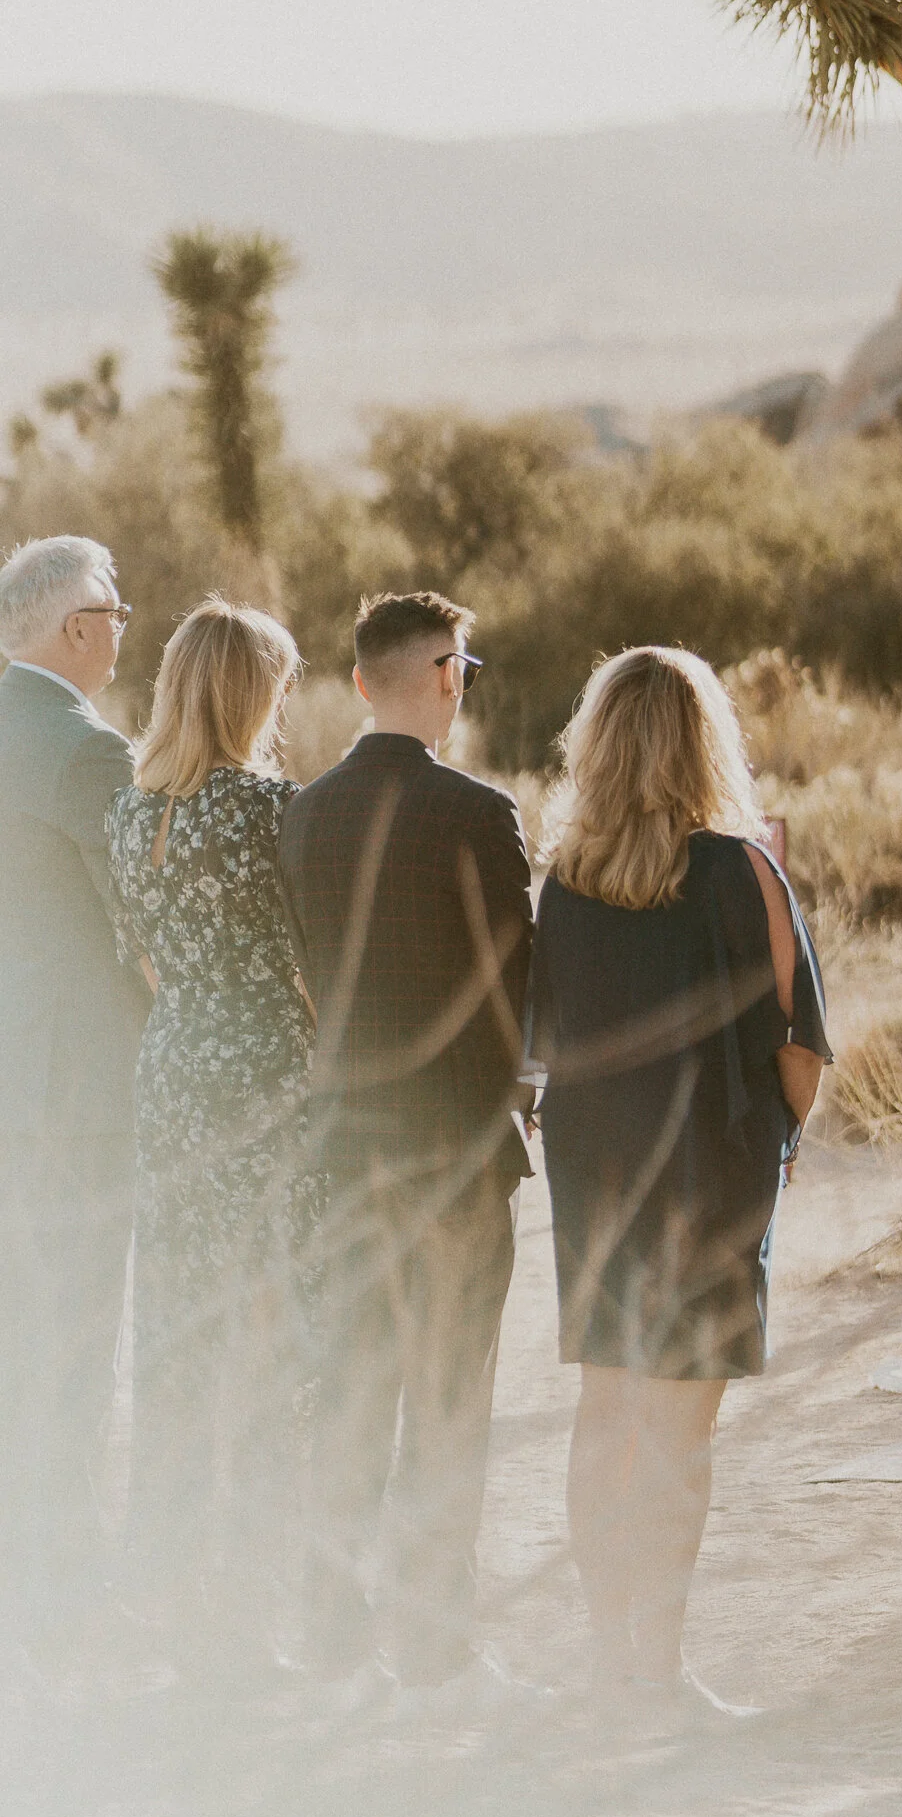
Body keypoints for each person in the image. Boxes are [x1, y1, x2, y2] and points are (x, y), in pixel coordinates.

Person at [530, 647, 830, 1717]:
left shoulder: (561, 879)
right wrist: (783, 1143)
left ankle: (608, 1659)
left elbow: (544, 1036)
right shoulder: (743, 870)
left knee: (604, 1411)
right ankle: (658, 1670)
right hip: (713, 1174)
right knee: (677, 1437)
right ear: (708, 740)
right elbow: (801, 1044)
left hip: (597, 1173)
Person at [278, 590, 534, 1696]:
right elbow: (518, 995)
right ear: (439, 672)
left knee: (349, 1387)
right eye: (463, 669)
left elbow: (308, 976)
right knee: (446, 1400)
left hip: (341, 1147)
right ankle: (434, 1645)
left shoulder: (302, 816)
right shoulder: (479, 815)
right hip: (458, 1154)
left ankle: (331, 1634)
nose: (464, 688)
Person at [107, 600, 319, 1651]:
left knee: (181, 1335)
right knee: (273, 1339)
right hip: (266, 1075)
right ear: (249, 692)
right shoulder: (274, 809)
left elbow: (143, 960)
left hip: (175, 1067)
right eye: (278, 686)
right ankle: (251, 1604)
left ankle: (168, 1592)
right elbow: (313, 961)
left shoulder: (131, 813)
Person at [0, 535, 141, 1633]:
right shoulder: (87, 752)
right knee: (77, 1318)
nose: (126, 626)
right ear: (74, 627)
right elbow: (140, 926)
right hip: (72, 1080)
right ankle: (61, 1574)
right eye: (116, 610)